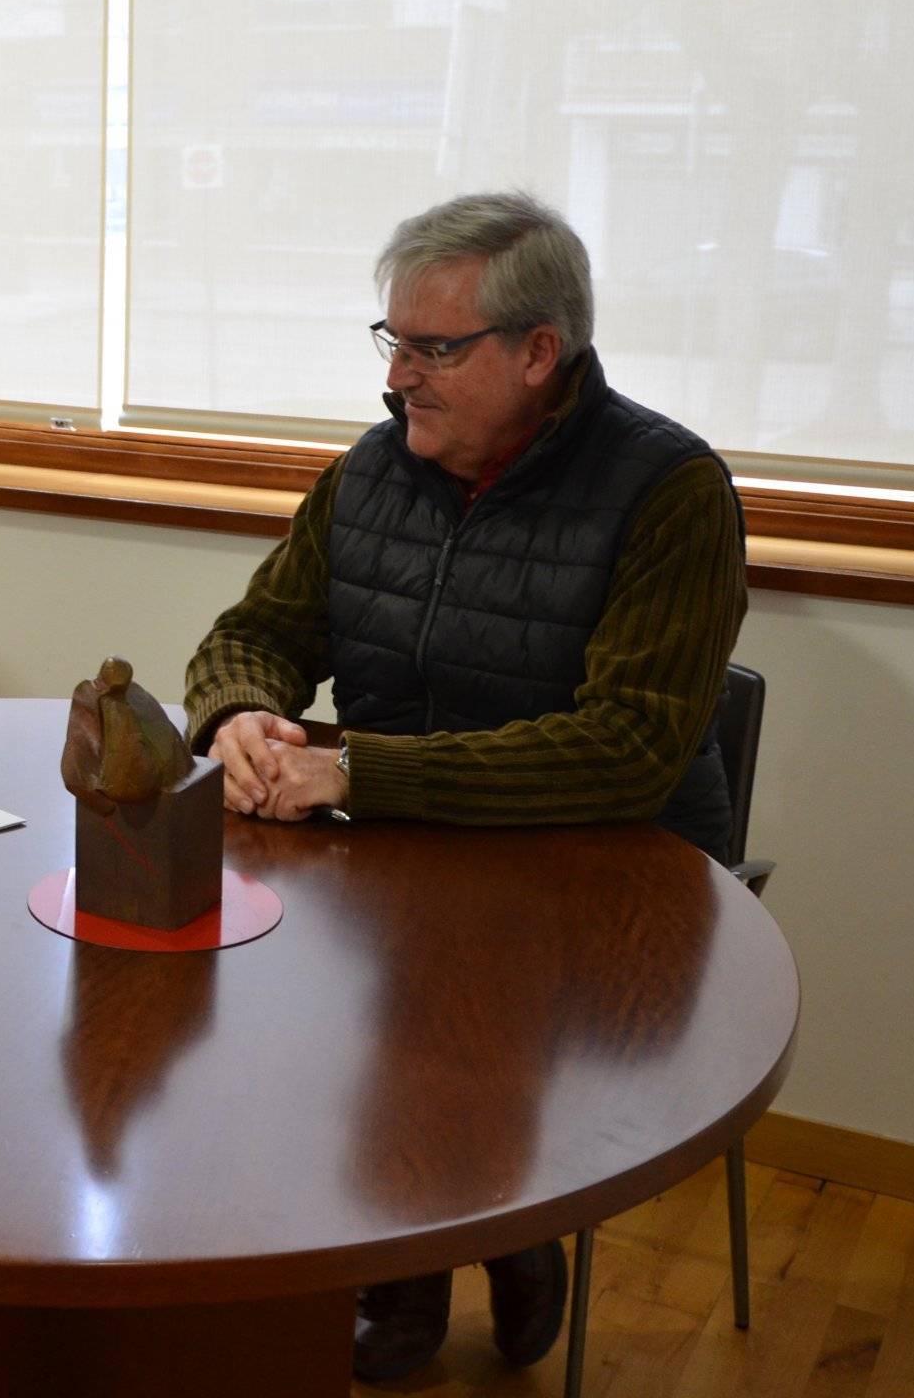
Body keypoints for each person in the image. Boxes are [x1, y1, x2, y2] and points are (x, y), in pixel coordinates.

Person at [182, 190, 746, 1384]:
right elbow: (256, 629)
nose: (397, 379)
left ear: (540, 353)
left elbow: (627, 747)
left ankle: (483, 1230)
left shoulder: (671, 491)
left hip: (605, 868)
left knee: (439, 1009)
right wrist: (240, 712)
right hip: (392, 841)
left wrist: (357, 770)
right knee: (234, 995)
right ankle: (416, 1247)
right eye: (388, 341)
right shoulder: (376, 469)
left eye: (432, 349)